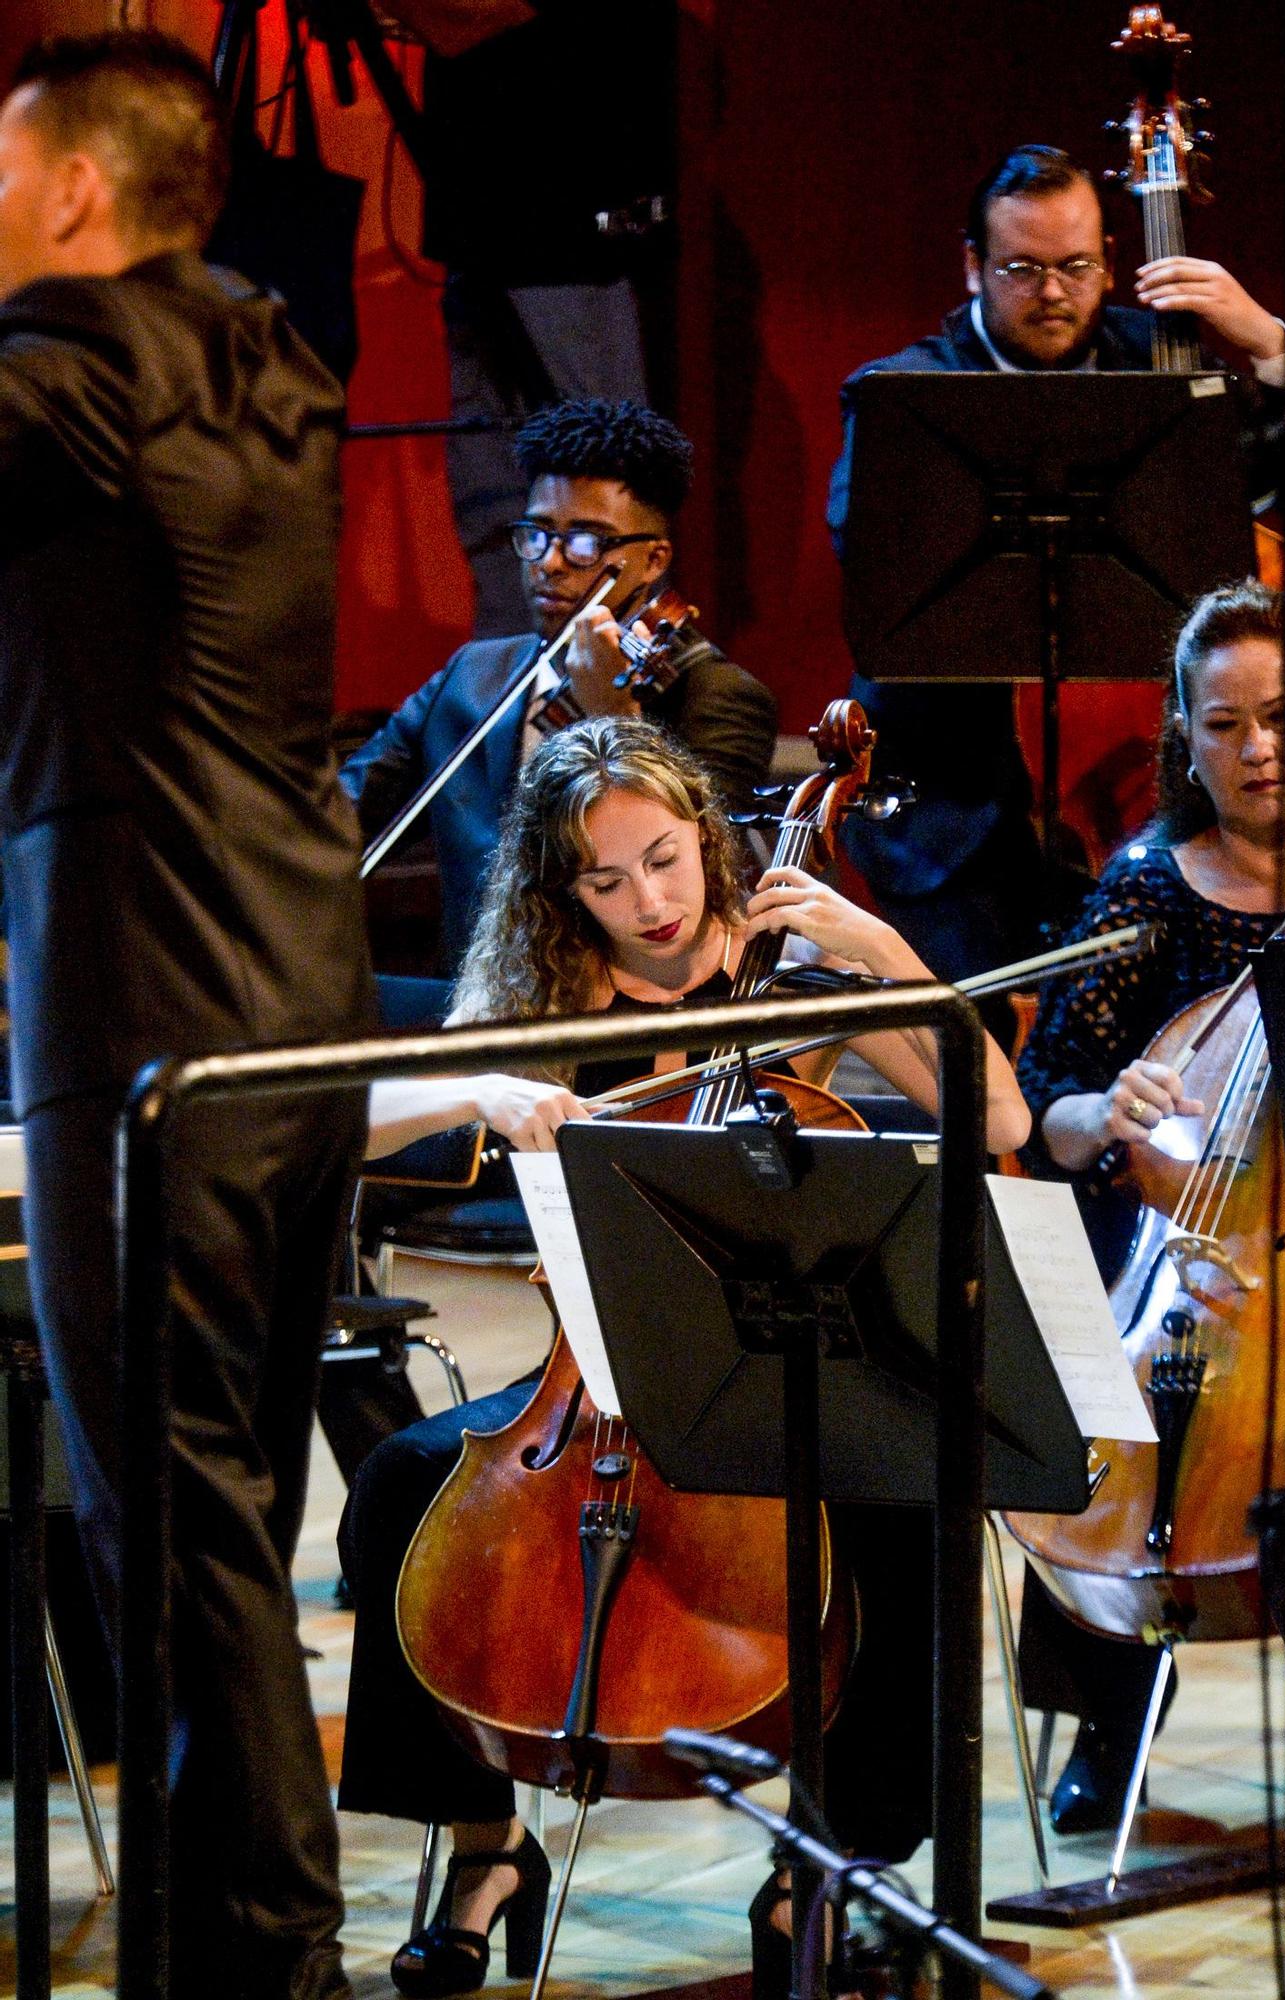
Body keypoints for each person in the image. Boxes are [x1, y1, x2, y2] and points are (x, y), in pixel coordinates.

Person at [339, 715, 1030, 1997]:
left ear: (706, 839)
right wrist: (477, 1091)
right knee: (398, 1482)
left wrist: (879, 952)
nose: (646, 901)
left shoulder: (797, 970)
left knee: (903, 1507)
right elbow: (352, 1125)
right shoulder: (547, 993)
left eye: (663, 858)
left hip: (780, 1376)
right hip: (587, 1384)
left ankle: (827, 1860)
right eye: (603, 879)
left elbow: (998, 1111)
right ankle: (486, 1849)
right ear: (561, 890)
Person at [0, 33, 374, 1998]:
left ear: (72, 197)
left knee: (182, 1528)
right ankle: (210, 1951)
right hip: (295, 999)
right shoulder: (265, 358)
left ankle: (271, 1966)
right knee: (217, 1513)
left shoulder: (66, 375)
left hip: (149, 1008)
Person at [826, 143, 1285, 998]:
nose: (1051, 292)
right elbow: (865, 551)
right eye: (1022, 268)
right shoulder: (903, 390)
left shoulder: (1172, 363)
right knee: (980, 1078)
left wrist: (1272, 350)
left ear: (1111, 261)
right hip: (954, 817)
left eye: (1076, 267)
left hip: (1146, 801)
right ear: (972, 266)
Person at [1015, 577, 1285, 1831]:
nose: (1257, 748)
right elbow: (1044, 1099)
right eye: (1223, 723)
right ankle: (1104, 1704)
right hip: (1180, 1238)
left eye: (1282, 717)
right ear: (1181, 736)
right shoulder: (1145, 888)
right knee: (1121, 1368)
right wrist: (1109, 1112)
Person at [342, 396, 779, 979]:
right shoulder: (473, 676)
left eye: (586, 543)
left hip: (629, 1008)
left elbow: (700, 874)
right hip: (475, 1002)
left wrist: (615, 718)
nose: (550, 563)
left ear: (653, 561)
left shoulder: (720, 697)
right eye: (538, 534)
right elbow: (346, 810)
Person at [366, 0, 675, 634]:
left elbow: (481, 11)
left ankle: (621, 716)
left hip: (570, 229)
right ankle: (515, 715)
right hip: (484, 222)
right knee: (499, 514)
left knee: (600, 506)